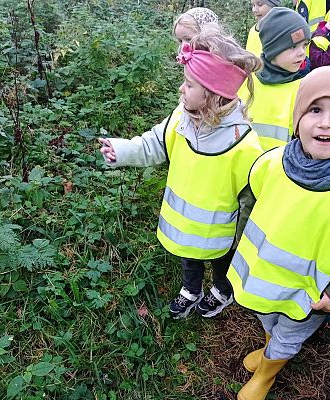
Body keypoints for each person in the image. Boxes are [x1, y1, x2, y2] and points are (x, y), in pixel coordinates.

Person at [228, 65, 330, 400]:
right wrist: (241, 251)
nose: (325, 122)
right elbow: (249, 210)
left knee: (289, 334)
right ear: (298, 119)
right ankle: (267, 348)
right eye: (315, 110)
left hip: (309, 298)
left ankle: (267, 373)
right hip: (263, 280)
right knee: (269, 322)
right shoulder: (272, 164)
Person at [99, 27, 263, 319]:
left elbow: (250, 200)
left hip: (220, 233)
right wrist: (122, 151)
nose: (181, 89)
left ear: (213, 95)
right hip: (185, 228)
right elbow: (154, 143)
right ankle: (191, 289)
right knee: (189, 258)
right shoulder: (181, 117)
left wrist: (244, 240)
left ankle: (222, 290)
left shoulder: (243, 143)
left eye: (189, 85)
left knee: (221, 262)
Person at [239, 7, 311, 150]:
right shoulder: (246, 81)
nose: (302, 53)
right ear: (272, 48)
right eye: (293, 46)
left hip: (281, 168)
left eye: (304, 45)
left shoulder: (305, 88)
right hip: (244, 165)